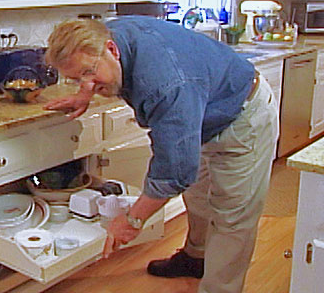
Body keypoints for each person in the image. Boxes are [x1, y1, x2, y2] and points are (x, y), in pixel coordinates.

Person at [43, 16, 279, 293]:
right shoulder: (102, 37)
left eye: (88, 72)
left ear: (112, 49)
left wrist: (132, 221)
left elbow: (174, 171)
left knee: (232, 219)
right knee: (199, 198)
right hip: (200, 112)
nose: (87, 82)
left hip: (241, 116)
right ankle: (195, 259)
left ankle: (220, 289)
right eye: (75, 78)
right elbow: (91, 66)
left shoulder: (165, 85)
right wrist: (86, 92)